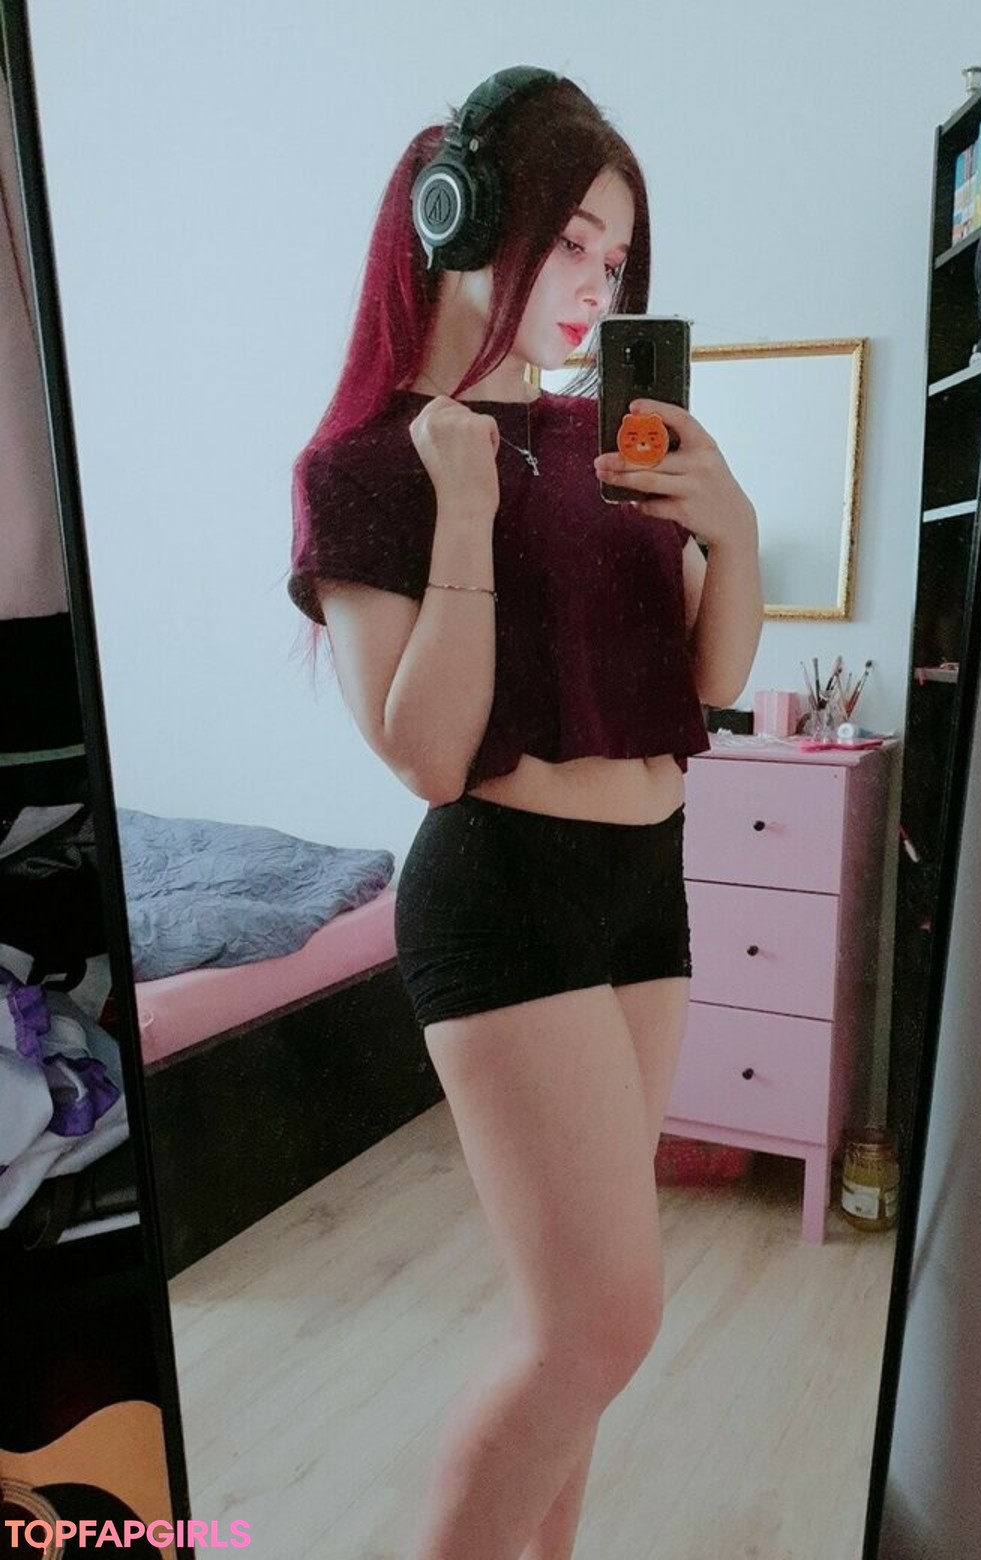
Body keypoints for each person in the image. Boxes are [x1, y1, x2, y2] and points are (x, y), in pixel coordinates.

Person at [289, 65, 763, 1560]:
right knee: (601, 1327)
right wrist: (470, 505)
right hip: (505, 890)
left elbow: (711, 678)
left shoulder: (608, 447)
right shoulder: (365, 465)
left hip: (647, 886)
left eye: (616, 259)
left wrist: (735, 530)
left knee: (578, 1336)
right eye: (571, 241)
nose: (597, 284)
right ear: (460, 220)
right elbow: (429, 756)